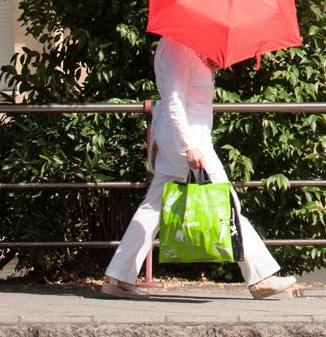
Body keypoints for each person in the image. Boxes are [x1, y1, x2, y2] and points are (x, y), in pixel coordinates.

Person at [101, 37, 298, 299]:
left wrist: (210, 67)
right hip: (189, 140)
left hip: (186, 139)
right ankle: (260, 277)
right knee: (227, 201)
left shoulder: (189, 47)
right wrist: (188, 147)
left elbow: (192, 91)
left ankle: (118, 275)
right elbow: (173, 101)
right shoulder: (175, 46)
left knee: (154, 206)